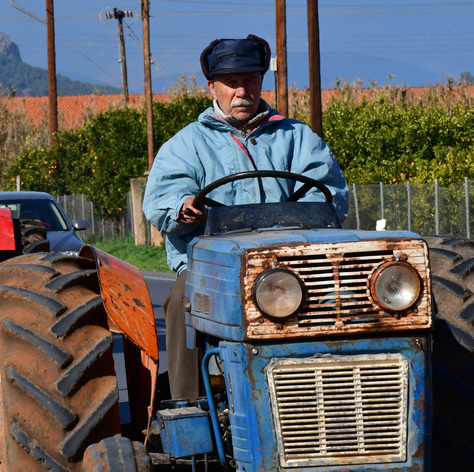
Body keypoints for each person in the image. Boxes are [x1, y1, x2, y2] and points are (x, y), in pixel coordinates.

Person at [142, 34, 349, 400]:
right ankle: (188, 408)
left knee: (353, 295)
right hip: (211, 266)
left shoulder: (297, 137)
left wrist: (316, 209)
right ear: (212, 87)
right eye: (231, 83)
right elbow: (160, 201)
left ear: (260, 82)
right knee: (181, 301)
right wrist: (183, 206)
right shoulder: (186, 144)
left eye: (249, 80)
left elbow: (329, 193)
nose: (241, 91)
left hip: (293, 258)